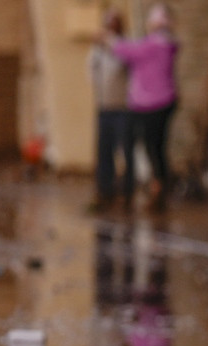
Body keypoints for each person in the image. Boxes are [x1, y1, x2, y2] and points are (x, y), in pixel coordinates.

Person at [108, 3, 178, 213]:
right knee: (156, 147)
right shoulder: (164, 44)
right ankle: (157, 185)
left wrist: (110, 39)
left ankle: (157, 187)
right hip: (157, 102)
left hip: (151, 104)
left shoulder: (155, 45)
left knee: (151, 147)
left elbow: (126, 50)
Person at [89, 9, 132, 212]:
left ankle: (125, 191)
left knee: (124, 152)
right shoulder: (98, 52)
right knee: (104, 151)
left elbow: (125, 65)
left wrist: (112, 42)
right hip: (104, 108)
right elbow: (91, 74)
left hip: (122, 108)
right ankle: (105, 190)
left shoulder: (125, 48)